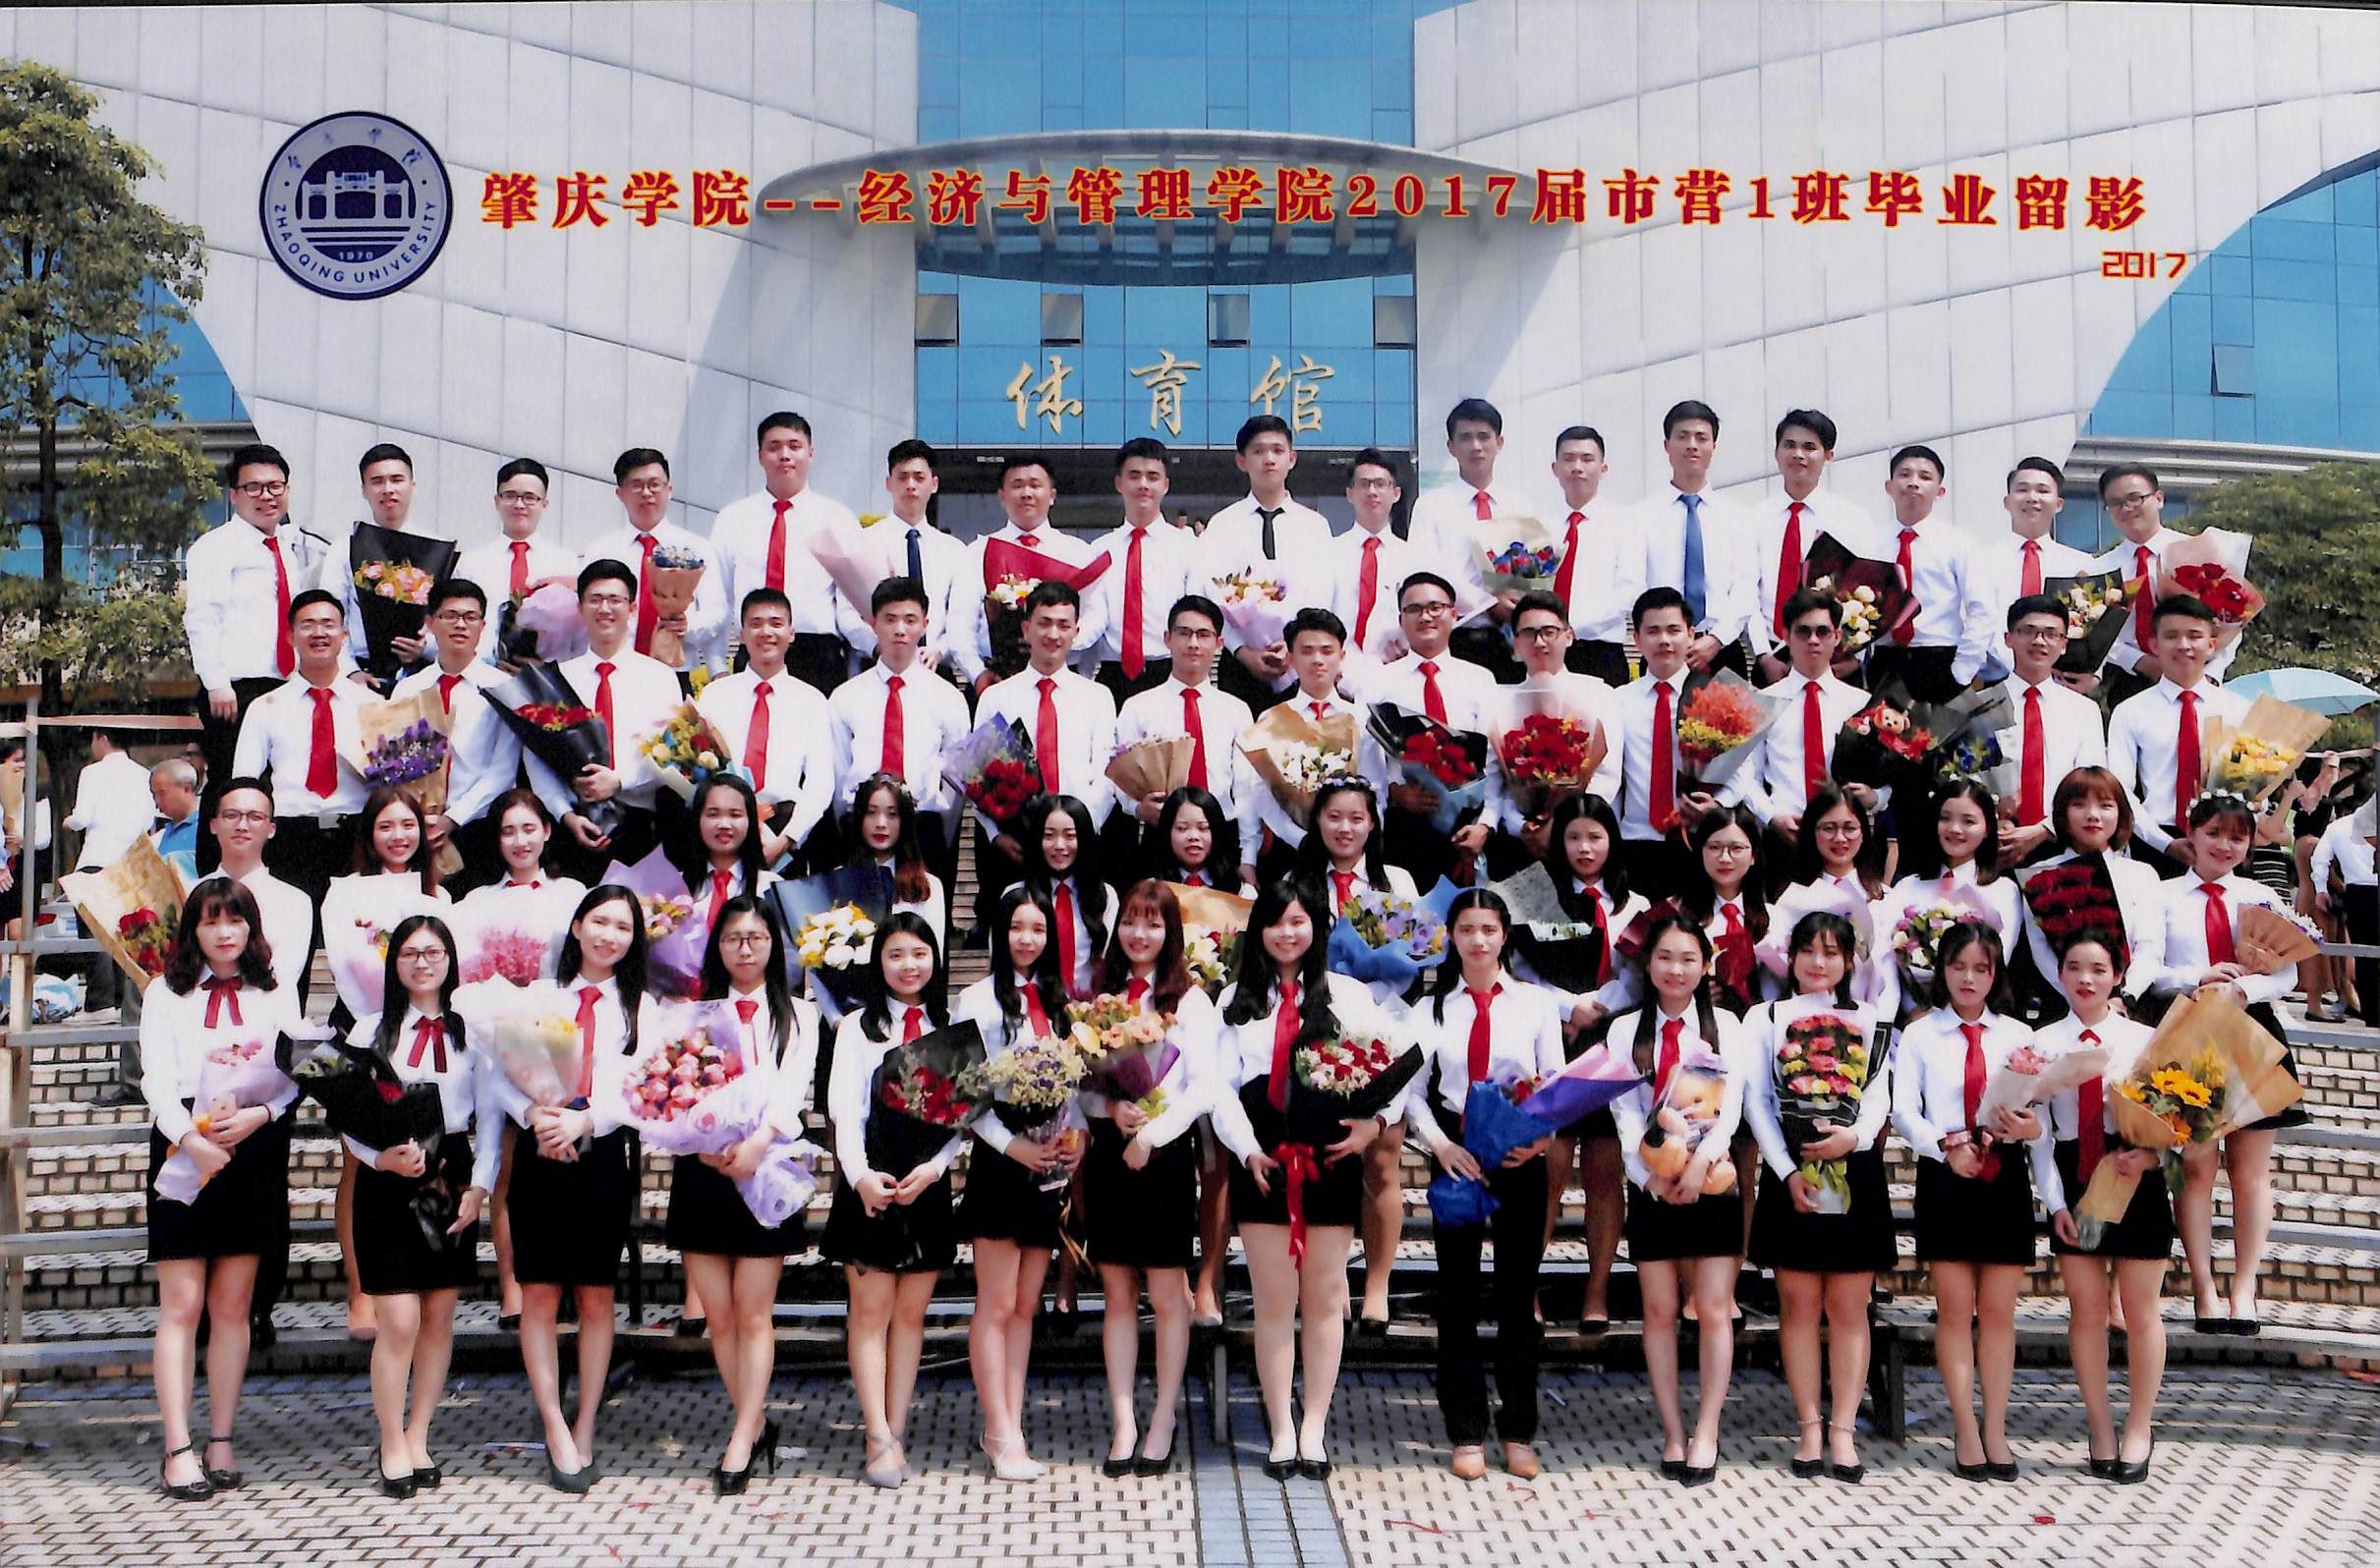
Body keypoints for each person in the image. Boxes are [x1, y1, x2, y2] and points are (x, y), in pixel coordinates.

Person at [1207, 876, 1392, 1481]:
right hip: (1263, 1160)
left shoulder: (1350, 996)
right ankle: (1280, 1429)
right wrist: (1246, 1151)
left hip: (1330, 1157)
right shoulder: (1233, 999)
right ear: (1258, 930)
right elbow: (1218, 1088)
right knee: (1272, 1301)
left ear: (1317, 928)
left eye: (1298, 921)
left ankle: (1313, 1426)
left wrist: (1373, 1125)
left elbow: (1396, 1065)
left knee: (1324, 1298)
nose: (1287, 933)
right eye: (1275, 922)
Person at [495, 884, 659, 1491]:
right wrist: (534, 1115)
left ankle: (585, 1423)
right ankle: (553, 1424)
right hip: (538, 1153)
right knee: (538, 1294)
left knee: (594, 1297)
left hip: (602, 1158)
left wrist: (585, 1122)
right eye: (599, 922)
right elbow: (499, 1073)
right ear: (577, 926)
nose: (608, 935)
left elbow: (642, 1089)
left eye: (623, 927)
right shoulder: (539, 997)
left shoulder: (642, 1008)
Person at [141, 877, 301, 1501]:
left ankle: (222, 1439)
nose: (224, 932)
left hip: (251, 1145)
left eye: (235, 921)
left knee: (233, 1306)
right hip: (184, 1142)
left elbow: (296, 1070)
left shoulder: (274, 989)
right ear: (193, 931)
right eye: (211, 922)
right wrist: (190, 1139)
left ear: (251, 927)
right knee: (182, 1304)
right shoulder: (164, 992)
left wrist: (262, 1115)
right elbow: (155, 1079)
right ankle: (177, 1446)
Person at [1893, 922, 2062, 1481]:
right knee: (1954, 1309)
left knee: (1998, 1313)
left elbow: (2040, 1115)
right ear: (1942, 970)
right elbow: (1903, 1111)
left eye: (1981, 968)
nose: (1969, 978)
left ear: (1995, 974)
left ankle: (1996, 1429)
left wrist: (2030, 1129)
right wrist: (1944, 1147)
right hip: (1945, 1175)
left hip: (2003, 1177)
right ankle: (1965, 1427)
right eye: (1959, 966)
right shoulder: (1920, 1035)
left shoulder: (2018, 1035)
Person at [1406, 889, 1564, 1481]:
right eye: (1467, 929)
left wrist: (1541, 1139)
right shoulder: (1431, 1008)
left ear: (1505, 935)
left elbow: (1555, 1081)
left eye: (1489, 929)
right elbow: (1412, 1092)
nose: (1478, 940)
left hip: (1518, 1148)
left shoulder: (1536, 1004)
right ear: (1451, 936)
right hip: (1457, 1149)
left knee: (1518, 1293)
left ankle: (1518, 1427)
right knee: (1457, 1292)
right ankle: (1465, 1427)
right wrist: (1440, 1145)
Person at [345, 914, 498, 1498]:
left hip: (450, 1174)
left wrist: (479, 1187)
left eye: (433, 952)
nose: (422, 963)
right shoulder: (369, 1030)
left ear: (450, 960)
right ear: (394, 964)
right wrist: (378, 1158)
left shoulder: (473, 1031)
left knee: (437, 1317)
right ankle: (389, 1440)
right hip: (386, 1177)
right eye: (410, 953)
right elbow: (347, 1113)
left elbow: (490, 1117)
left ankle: (418, 1436)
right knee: (399, 1320)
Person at [670, 896, 820, 1493]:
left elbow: (793, 1088)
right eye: (733, 938)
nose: (745, 948)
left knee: (755, 1312)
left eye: (756, 938)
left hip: (766, 1164)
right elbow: (674, 1084)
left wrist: (757, 1144)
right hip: (703, 1169)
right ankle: (754, 1423)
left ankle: (740, 1438)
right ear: (718, 947)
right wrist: (699, 1142)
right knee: (719, 1315)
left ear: (773, 946)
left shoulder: (800, 1014)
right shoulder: (693, 1012)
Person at [1743, 911, 1892, 1484]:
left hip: (1855, 1168)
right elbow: (1758, 1100)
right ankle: (1808, 1426)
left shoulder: (1871, 1020)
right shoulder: (1766, 1017)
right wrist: (1785, 1171)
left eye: (1831, 952)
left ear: (1849, 961)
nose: (1818, 962)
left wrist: (1853, 1138)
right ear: (1791, 957)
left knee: (1850, 1307)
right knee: (1799, 1305)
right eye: (1808, 950)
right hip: (1792, 1174)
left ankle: (1844, 1431)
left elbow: (1878, 1093)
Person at [2154, 793, 2307, 1334]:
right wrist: (2196, 977)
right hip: (2189, 1029)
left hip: (2252, 1030)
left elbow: (2288, 971)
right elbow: (2147, 967)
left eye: (2237, 837)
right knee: (2196, 1166)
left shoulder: (2261, 894)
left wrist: (2246, 988)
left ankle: (2245, 1288)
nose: (2224, 846)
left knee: (2250, 1170)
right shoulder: (2163, 896)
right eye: (2214, 833)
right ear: (2192, 834)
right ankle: (2203, 1287)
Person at [1608, 914, 1751, 1485]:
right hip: (1651, 1184)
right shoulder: (1625, 1031)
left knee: (1713, 1308)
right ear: (1648, 963)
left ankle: (1707, 1430)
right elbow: (1623, 1113)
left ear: (1705, 965)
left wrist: (1698, 1164)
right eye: (1665, 957)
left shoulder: (1726, 1027)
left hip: (1712, 1181)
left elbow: (1732, 1108)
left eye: (1689, 958)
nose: (1676, 969)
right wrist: (1646, 1175)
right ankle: (1671, 1430)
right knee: (1659, 1310)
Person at [822, 914, 960, 1488]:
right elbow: (845, 1112)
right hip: (870, 1186)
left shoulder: (951, 1024)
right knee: (871, 1313)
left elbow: (960, 1117)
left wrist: (935, 1169)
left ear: (935, 960)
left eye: (920, 953)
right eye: (896, 954)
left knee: (909, 1316)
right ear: (879, 962)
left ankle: (895, 1430)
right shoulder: (857, 1029)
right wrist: (859, 1178)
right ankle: (875, 1434)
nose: (909, 965)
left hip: (926, 1185)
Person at [1082, 880, 1216, 1478]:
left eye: (1153, 924)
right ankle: (1123, 1421)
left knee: (1166, 1295)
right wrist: (1111, 1110)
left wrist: (1152, 1136)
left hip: (1164, 1159)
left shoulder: (1191, 1002)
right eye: (1131, 922)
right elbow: (1081, 1083)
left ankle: (1162, 1417)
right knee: (1116, 1293)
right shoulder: (1100, 997)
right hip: (1111, 1155)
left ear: (1171, 932)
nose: (1140, 934)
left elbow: (1203, 1087)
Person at [954, 886, 1080, 1481]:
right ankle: (998, 1431)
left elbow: (1075, 1082)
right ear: (999, 933)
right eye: (1016, 928)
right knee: (997, 1303)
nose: (1027, 939)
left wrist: (1071, 1141)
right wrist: (1015, 1147)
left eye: (1038, 929)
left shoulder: (1060, 1001)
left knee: (1026, 1305)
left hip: (1049, 1161)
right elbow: (966, 1095)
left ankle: (1011, 1425)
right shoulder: (976, 999)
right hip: (1002, 1159)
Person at [2035, 927, 2167, 1482]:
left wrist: (2154, 1155)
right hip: (2074, 1177)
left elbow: (2186, 1119)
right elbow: (2039, 1136)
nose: (2085, 979)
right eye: (2074, 968)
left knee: (2140, 1311)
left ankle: (2139, 1425)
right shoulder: (2042, 1043)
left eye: (2097, 969)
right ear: (2059, 974)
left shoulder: (2147, 1039)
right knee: (2087, 1311)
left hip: (2134, 1175)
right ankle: (2099, 1425)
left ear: (2117, 976)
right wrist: (2055, 1202)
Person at [323, 786, 451, 1338]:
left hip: (424, 1033)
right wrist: (377, 1031)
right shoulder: (343, 894)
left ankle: (415, 1280)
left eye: (408, 825)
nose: (398, 836)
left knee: (423, 1158)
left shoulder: (439, 897)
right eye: (386, 826)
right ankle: (360, 1292)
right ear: (369, 834)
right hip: (365, 1030)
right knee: (359, 1161)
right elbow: (345, 963)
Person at [455, 788, 586, 1326]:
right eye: (508, 831)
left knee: (564, 1164)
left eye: (529, 829)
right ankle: (513, 1288)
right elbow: (467, 974)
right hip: (498, 1044)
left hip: (560, 1042)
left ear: (548, 832)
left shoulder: (572, 894)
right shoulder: (474, 903)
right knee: (505, 1161)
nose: (519, 840)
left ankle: (567, 1282)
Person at [1290, 778, 1416, 1332]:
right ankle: (1332, 1275)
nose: (1345, 828)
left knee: (1382, 1160)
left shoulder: (1396, 882)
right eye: (1334, 817)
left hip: (1385, 1028)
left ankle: (1378, 1285)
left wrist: (1373, 1009)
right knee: (1329, 1156)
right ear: (1317, 822)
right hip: (1318, 1030)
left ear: (1372, 824)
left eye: (1356, 818)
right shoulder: (1297, 882)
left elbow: (1414, 955)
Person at [1517, 793, 1645, 1335]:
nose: (1585, 848)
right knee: (1546, 1172)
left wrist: (1598, 1007)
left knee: (1604, 1172)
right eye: (1573, 837)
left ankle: (1597, 1291)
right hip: (1552, 1040)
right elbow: (1518, 967)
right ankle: (1525, 1289)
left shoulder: (1635, 904)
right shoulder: (1534, 896)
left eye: (1595, 837)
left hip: (1612, 1045)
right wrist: (1569, 1008)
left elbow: (1639, 973)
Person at [182, 443, 333, 798]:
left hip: (285, 686)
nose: (266, 496)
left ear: (288, 491)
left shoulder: (287, 549)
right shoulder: (216, 546)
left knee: (281, 789)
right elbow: (203, 616)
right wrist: (216, 682)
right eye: (254, 487)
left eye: (275, 487)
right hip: (236, 691)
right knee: (233, 790)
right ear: (234, 495)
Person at [971, 581, 1118, 939]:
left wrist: (1078, 831)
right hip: (1016, 847)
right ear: (1026, 629)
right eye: (1044, 623)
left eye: (1063, 625)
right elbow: (978, 777)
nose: (1053, 634)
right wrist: (996, 834)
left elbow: (1105, 772)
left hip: (1080, 843)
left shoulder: (1098, 697)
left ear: (1076, 632)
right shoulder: (996, 698)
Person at [524, 560, 685, 881]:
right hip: (574, 826)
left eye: (615, 600)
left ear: (632, 608)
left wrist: (620, 780)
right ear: (580, 608)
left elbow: (674, 754)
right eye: (595, 600)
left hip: (640, 823)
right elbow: (537, 755)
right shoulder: (556, 678)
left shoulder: (660, 677)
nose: (605, 609)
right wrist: (564, 813)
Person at [826, 577, 972, 897]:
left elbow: (956, 782)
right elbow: (838, 771)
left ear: (925, 624)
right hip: (862, 825)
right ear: (872, 623)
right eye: (890, 620)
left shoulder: (948, 697)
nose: (900, 630)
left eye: (910, 620)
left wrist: (939, 829)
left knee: (926, 918)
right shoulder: (845, 697)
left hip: (925, 826)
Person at [231, 588, 370, 913]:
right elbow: (244, 786)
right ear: (290, 636)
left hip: (356, 837)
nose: (319, 633)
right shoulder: (264, 707)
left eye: (328, 624)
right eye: (307, 625)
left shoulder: (372, 705)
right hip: (289, 839)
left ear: (344, 636)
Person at [1727, 588, 1879, 865]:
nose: (1813, 640)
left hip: (1845, 840)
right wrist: (1772, 817)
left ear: (1837, 637)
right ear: (1786, 636)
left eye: (1822, 631)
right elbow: (1748, 776)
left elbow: (1884, 774)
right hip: (1784, 837)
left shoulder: (1861, 703)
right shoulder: (1762, 702)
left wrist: (1876, 797)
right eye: (1803, 631)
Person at [711, 413, 862, 694]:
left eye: (794, 446)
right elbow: (719, 598)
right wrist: (717, 665)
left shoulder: (837, 519)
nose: (784, 455)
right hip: (755, 647)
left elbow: (850, 606)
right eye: (774, 447)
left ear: (810, 453)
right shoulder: (732, 519)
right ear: (760, 455)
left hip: (817, 655)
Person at [1372, 571, 1502, 888]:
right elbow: (1368, 759)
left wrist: (1486, 824)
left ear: (1454, 614)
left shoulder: (1480, 679)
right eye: (1414, 609)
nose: (1425, 616)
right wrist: (1395, 792)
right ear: (1401, 620)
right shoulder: (1379, 682)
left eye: (1435, 607)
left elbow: (1495, 761)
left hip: (1469, 828)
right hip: (1405, 826)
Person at [2106, 594, 2250, 876]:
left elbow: (2250, 784)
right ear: (2154, 645)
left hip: (2222, 843)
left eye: (2194, 636)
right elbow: (2120, 789)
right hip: (2155, 843)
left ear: (2212, 645)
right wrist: (2164, 843)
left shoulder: (2238, 710)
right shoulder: (2130, 712)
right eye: (2172, 636)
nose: (2184, 645)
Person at [391, 581, 521, 892]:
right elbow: (395, 765)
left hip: (481, 826)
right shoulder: (408, 688)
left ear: (483, 626)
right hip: (417, 830)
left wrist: (453, 819)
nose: (460, 624)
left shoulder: (503, 688)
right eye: (449, 615)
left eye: (470, 617)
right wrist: (420, 819)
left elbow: (503, 769)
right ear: (430, 622)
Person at [1111, 595, 1257, 874]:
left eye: (1203, 635)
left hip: (1220, 836)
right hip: (1160, 836)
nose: (1193, 643)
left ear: (1219, 643)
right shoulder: (1138, 707)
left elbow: (1247, 791)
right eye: (1184, 633)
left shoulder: (1236, 710)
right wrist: (1138, 808)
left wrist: (1248, 856)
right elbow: (1119, 777)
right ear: (1167, 639)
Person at [695, 588, 837, 868]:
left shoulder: (812, 700)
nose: (766, 632)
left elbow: (820, 782)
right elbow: (698, 768)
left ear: (791, 633)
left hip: (782, 829)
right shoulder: (715, 695)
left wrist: (787, 839)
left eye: (776, 623)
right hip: (722, 829)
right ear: (741, 634)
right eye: (756, 624)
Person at [1489, 590, 1621, 877]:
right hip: (1519, 843)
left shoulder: (1601, 694)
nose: (1539, 642)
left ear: (1569, 636)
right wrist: (1523, 826)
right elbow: (1496, 781)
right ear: (1515, 642)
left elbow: (1607, 777)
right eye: (1528, 633)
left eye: (1549, 632)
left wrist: (1562, 825)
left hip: (1584, 842)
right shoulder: (1499, 699)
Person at [949, 455, 1109, 693]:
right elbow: (960, 622)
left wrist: (1057, 639)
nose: (1026, 493)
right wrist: (977, 674)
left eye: (1035, 485)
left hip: (1064, 682)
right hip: (998, 681)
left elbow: (1096, 615)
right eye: (1017, 485)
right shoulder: (979, 552)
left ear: (1052, 495)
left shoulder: (1078, 552)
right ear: (1002, 496)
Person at [2016, 767, 2169, 1017]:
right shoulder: (2041, 874)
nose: (2093, 815)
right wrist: (2081, 997)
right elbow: (2041, 948)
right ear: (2063, 814)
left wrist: (2124, 996)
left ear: (2120, 814)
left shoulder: (2141, 874)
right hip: (2065, 1008)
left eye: (2105, 806)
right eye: (2079, 805)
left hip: (2128, 1008)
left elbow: (2150, 948)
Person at [1207, 416, 1332, 711]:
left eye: (1277, 450)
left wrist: (1294, 646)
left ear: (1292, 458)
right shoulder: (1222, 525)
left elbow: (1323, 594)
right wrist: (1242, 650)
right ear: (1242, 461)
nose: (1269, 459)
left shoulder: (1314, 526)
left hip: (1302, 664)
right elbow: (1210, 595)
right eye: (1258, 451)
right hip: (1240, 666)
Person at [1870, 781, 2023, 1020]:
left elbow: (1997, 958)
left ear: (1987, 828)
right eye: (1945, 818)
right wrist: (1910, 1011)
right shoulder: (1907, 887)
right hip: (1911, 1020)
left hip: (1976, 1018)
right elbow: (1885, 957)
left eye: (1968, 821)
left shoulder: (2002, 890)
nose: (1955, 829)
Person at [2089, 464, 2238, 705]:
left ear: (2158, 498)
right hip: (2130, 682)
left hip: (2199, 676)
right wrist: (2139, 661)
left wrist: (2212, 673)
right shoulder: (2100, 568)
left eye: (2135, 498)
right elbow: (2097, 633)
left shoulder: (2198, 552)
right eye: (2115, 503)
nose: (2126, 508)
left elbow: (2232, 619)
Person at [1242, 607, 1375, 879]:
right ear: (1290, 658)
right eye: (1307, 651)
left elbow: (1377, 789)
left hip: (1353, 851)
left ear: (1342, 656)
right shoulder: (1271, 718)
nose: (1317, 660)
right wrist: (1301, 839)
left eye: (1327, 651)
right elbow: (1261, 794)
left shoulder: (1361, 718)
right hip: (1290, 850)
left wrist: (1357, 840)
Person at [1636, 401, 1763, 680]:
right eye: (1682, 437)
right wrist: (1666, 635)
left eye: (1701, 438)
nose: (1692, 445)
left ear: (1713, 446)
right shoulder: (1641, 516)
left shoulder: (1738, 516)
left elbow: (1745, 587)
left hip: (1722, 651)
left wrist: (1717, 639)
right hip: (1662, 651)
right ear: (1667, 446)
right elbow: (1634, 585)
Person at [1861, 445, 1992, 704]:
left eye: (1925, 476)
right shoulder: (1871, 543)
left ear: (1940, 491)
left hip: (1940, 660)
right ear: (1889, 486)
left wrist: (1961, 672)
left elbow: (1982, 610)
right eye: (1905, 474)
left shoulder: (1959, 543)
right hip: (1886, 660)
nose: (1913, 482)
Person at [1754, 411, 1876, 683]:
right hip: (1773, 658)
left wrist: (1854, 656)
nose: (1798, 454)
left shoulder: (1853, 519)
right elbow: (1746, 592)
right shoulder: (1754, 519)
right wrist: (1763, 655)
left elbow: (1869, 591)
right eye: (1789, 445)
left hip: (1835, 658)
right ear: (1776, 452)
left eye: (1809, 447)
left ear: (1828, 456)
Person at [1404, 398, 1521, 680]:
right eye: (1465, 438)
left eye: (1484, 436)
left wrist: (1517, 604)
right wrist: (1489, 605)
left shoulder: (1519, 505)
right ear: (1451, 447)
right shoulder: (1431, 506)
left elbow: (1527, 573)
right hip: (1454, 637)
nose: (1476, 446)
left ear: (1500, 442)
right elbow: (1427, 573)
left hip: (1511, 641)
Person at [586, 448, 731, 674]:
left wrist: (688, 625)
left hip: (675, 671)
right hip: (616, 671)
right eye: (636, 485)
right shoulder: (600, 552)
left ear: (669, 490)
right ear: (620, 493)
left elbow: (717, 612)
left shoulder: (698, 548)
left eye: (654, 484)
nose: (646, 493)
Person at [1995, 593, 2108, 867]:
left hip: (2064, 843)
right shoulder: (1982, 706)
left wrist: (2044, 830)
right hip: (1997, 842)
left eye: (2051, 634)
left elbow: (2091, 782)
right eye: (2028, 631)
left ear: (2064, 644)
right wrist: (1998, 821)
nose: (2039, 641)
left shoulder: (2083, 710)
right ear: (2008, 639)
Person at [1614, 588, 1709, 901]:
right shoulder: (1618, 700)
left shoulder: (1715, 695)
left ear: (1691, 635)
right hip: (1634, 842)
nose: (1664, 640)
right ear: (1637, 640)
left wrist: (1717, 805)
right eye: (1653, 631)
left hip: (1696, 840)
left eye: (1673, 630)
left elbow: (1741, 771)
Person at [326, 444, 449, 687]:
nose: (388, 489)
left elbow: (453, 617)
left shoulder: (438, 551)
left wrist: (426, 647)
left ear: (412, 485)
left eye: (397, 480)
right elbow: (331, 616)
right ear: (364, 490)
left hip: (423, 678)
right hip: (361, 677)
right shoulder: (344, 548)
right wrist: (350, 672)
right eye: (377, 481)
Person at [840, 440, 965, 673]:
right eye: (902, 477)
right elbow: (846, 612)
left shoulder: (954, 551)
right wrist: (877, 647)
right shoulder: (861, 543)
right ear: (889, 483)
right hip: (877, 665)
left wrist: (939, 650)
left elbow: (961, 616)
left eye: (919, 477)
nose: (910, 485)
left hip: (934, 667)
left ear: (934, 484)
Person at [1085, 437, 1193, 700]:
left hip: (1169, 673)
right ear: (1119, 483)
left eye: (1152, 477)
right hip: (1113, 677)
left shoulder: (1187, 547)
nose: (1143, 484)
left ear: (1165, 485)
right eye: (1134, 476)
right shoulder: (1099, 550)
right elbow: (1093, 615)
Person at [455, 457, 581, 667]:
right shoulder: (471, 562)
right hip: (481, 672)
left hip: (548, 676)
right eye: (510, 496)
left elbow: (578, 633)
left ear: (544, 504)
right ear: (497, 501)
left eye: (529, 497)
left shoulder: (567, 564)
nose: (519, 504)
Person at [1321, 449, 1428, 691]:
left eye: (1380, 484)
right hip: (1336, 674)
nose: (1372, 491)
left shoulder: (1414, 557)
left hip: (1397, 673)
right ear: (1349, 494)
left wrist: (1410, 650)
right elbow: (1319, 615)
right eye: (1363, 484)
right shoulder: (1328, 553)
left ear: (1396, 493)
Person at [1544, 425, 1640, 688]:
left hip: (1600, 651)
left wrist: (1573, 626)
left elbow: (1629, 591)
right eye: (1569, 459)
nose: (1577, 467)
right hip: (1545, 651)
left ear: (1603, 468)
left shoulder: (1625, 523)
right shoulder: (1542, 525)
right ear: (1555, 468)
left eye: (1587, 459)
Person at [1976, 459, 2092, 662]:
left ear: (2058, 504)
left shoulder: (2081, 564)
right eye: (2022, 490)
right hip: (1991, 673)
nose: (2032, 497)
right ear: (2007, 502)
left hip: (2059, 675)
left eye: (2042, 490)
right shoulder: (1979, 561)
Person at [1013, 793, 1112, 1002]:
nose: (1059, 845)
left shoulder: (1105, 896)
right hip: (1032, 1009)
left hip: (1090, 1009)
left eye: (1069, 836)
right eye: (1049, 835)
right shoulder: (1016, 895)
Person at [843, 773, 948, 943]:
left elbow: (933, 952)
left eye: (892, 814)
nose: (881, 824)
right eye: (871, 812)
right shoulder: (839, 881)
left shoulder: (928, 886)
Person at [675, 772, 780, 940]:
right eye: (713, 814)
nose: (724, 824)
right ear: (697, 819)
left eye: (735, 815)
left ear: (751, 821)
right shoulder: (675, 887)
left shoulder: (771, 887)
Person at [1784, 787, 1887, 904]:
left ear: (1863, 833)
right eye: (1829, 828)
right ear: (1812, 832)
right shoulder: (1793, 900)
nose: (1840, 838)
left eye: (1850, 828)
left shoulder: (1885, 900)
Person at [1145, 785, 1242, 894]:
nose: (1193, 836)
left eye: (1203, 828)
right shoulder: (1150, 892)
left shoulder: (1242, 892)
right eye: (1182, 828)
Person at [148, 757, 202, 883]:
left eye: (162, 793)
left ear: (186, 788)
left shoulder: (207, 829)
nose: (157, 800)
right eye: (154, 794)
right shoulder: (162, 834)